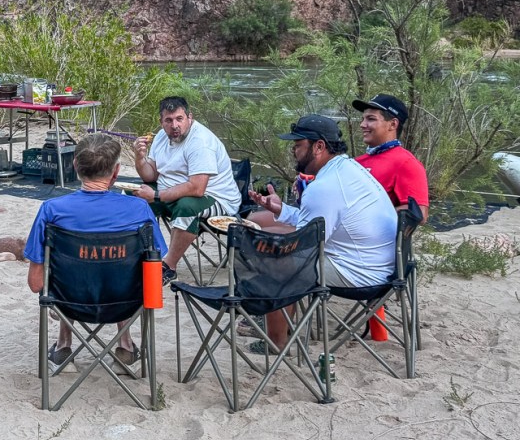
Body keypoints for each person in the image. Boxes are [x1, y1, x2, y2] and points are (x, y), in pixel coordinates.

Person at [248, 114, 398, 349]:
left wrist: (263, 247)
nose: (293, 151)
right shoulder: (347, 169)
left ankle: (275, 341)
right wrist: (282, 211)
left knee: (275, 261)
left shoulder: (324, 186)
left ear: (319, 146)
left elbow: (304, 246)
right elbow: (319, 224)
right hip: (382, 267)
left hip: (361, 274)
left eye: (298, 145)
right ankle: (278, 321)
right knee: (272, 236)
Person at [24, 134, 168, 372]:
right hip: (125, 302)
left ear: (75, 166)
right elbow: (155, 265)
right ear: (116, 171)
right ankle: (125, 348)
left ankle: (63, 346)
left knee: (67, 274)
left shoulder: (51, 210)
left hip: (69, 302)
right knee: (125, 270)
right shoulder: (139, 209)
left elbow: (35, 283)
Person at [131, 96, 242, 284]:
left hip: (216, 197)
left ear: (189, 117)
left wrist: (156, 196)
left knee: (187, 207)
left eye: (179, 119)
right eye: (169, 120)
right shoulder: (160, 137)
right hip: (172, 191)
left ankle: (169, 266)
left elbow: (197, 188)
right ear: (161, 121)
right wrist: (139, 158)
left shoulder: (200, 142)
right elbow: (150, 176)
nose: (174, 125)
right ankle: (140, 257)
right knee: (133, 197)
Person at [353, 94, 430, 223]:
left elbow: (419, 213)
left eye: (370, 119)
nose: (362, 124)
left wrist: (364, 216)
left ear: (393, 124)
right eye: (363, 119)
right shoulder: (356, 162)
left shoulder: (406, 163)